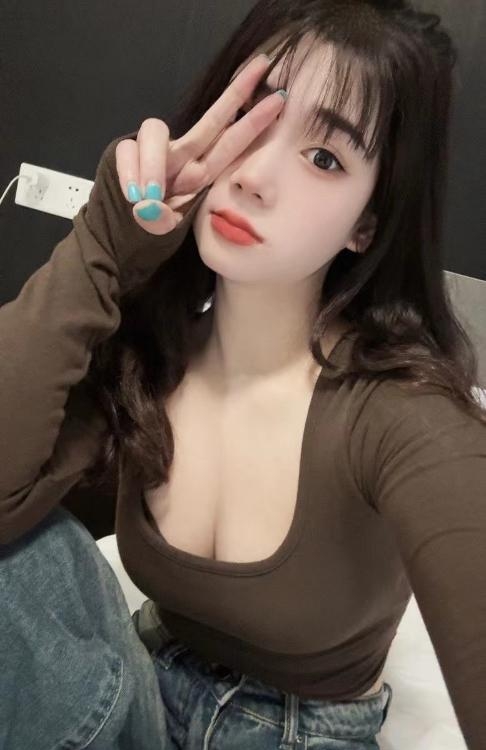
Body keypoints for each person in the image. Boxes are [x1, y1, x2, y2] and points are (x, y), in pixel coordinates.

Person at [1, 1, 485, 748]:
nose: (254, 175)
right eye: (254, 119)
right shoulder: (150, 345)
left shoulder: (398, 413)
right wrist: (105, 242)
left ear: (367, 225)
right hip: (135, 687)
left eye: (325, 158)